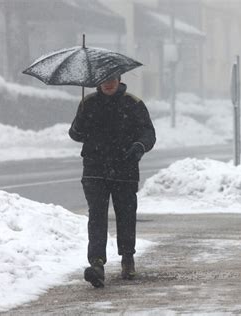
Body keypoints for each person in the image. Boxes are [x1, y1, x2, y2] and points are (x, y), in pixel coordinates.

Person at [69, 74, 156, 288]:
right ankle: (97, 263)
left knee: (125, 215)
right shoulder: (87, 103)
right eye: (104, 80)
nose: (108, 83)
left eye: (112, 79)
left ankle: (127, 257)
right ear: (98, 82)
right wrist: (81, 122)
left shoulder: (133, 104)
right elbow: (75, 133)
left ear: (119, 80)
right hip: (94, 170)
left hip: (124, 170)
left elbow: (149, 133)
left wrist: (139, 146)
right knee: (97, 217)